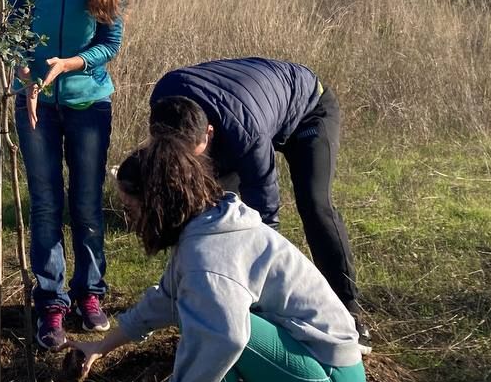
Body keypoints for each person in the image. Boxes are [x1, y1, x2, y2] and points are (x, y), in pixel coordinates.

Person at [68, 121, 366, 382]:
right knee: (198, 315)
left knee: (210, 332)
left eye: (132, 208)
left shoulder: (207, 257)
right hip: (320, 364)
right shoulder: (211, 222)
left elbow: (224, 336)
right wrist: (99, 346)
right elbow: (166, 300)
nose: (131, 219)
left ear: (157, 204)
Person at [149, 58, 367, 346]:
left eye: (194, 155)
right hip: (254, 107)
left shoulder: (245, 132)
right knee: (204, 209)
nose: (191, 163)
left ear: (209, 134)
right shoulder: (164, 101)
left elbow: (264, 213)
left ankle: (348, 308)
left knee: (315, 205)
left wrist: (260, 283)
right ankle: (193, 295)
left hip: (309, 110)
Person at [9, 0, 126, 350]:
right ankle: (51, 301)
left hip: (88, 103)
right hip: (35, 102)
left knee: (86, 203)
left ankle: (90, 294)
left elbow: (109, 42)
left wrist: (72, 63)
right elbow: (10, 34)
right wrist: (25, 71)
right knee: (44, 203)